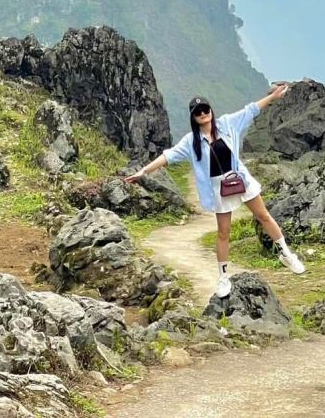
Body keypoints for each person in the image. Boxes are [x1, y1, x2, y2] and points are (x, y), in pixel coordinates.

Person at [122, 84, 305, 298]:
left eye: (205, 109)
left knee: (263, 215)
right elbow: (167, 156)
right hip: (218, 188)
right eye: (198, 112)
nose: (203, 114)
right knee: (223, 233)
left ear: (211, 110)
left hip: (240, 178)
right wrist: (144, 171)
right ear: (193, 117)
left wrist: (273, 97)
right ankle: (224, 277)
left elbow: (251, 110)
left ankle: (286, 254)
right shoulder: (191, 141)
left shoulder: (226, 124)